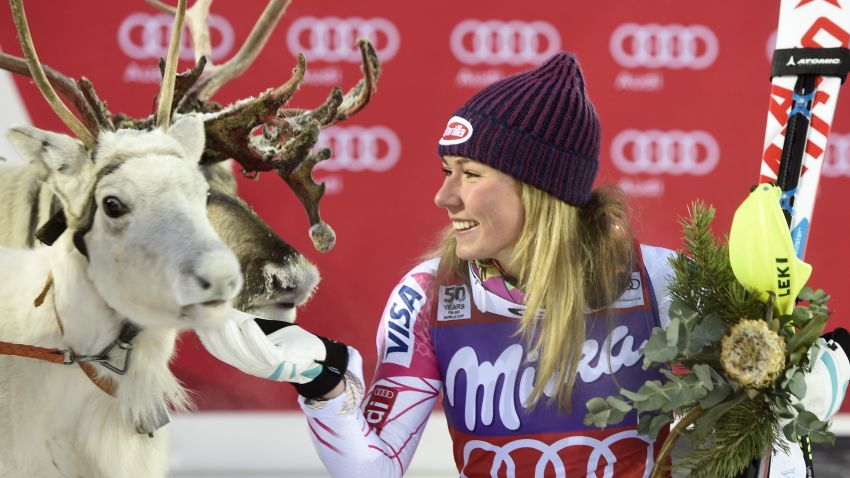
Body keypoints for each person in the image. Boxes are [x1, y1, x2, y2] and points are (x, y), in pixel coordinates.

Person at [197, 51, 678, 477]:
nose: (444, 196)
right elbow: (373, 468)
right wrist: (325, 383)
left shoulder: (658, 281)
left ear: (541, 189)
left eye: (470, 175)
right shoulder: (428, 295)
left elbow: (742, 428)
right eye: (447, 172)